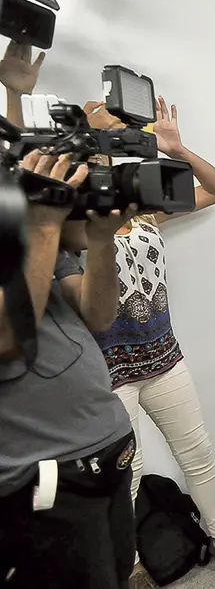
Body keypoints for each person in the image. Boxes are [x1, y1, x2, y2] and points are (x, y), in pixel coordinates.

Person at [83, 97, 215, 587]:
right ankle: (132, 566)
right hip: (108, 367)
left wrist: (177, 149)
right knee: (125, 475)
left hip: (163, 356)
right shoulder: (77, 208)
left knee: (197, 451)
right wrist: (90, 143)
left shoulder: (144, 208)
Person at [0, 152, 136, 589]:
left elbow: (97, 314)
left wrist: (102, 241)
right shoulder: (37, 232)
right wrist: (44, 225)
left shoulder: (31, 238)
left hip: (104, 449)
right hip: (42, 477)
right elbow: (6, 336)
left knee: (113, 574)